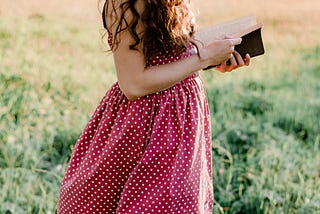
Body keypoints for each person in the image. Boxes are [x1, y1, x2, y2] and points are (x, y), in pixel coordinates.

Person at [57, 0, 250, 213]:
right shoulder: (125, 5)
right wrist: (202, 59)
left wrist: (214, 56)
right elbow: (133, 84)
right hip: (143, 124)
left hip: (180, 123)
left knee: (174, 202)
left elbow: (169, 53)